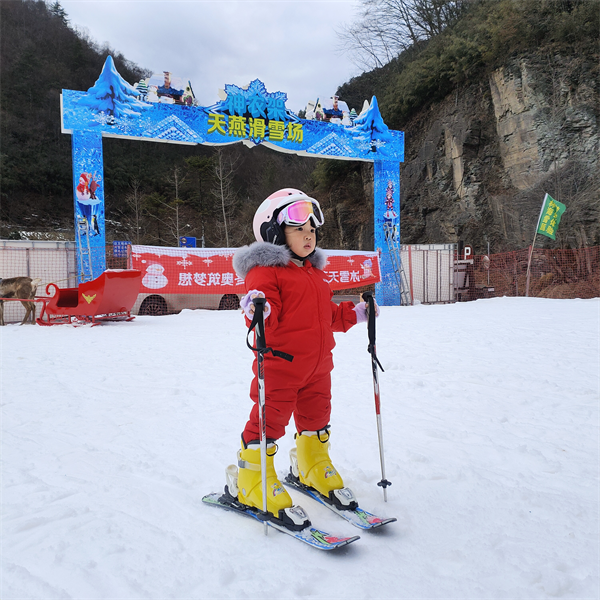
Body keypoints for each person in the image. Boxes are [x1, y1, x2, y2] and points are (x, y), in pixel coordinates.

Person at [225, 188, 378, 530]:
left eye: (312, 230)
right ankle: (252, 481)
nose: (308, 236)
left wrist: (357, 313)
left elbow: (328, 317)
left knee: (317, 417)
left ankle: (311, 464)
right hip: (281, 367)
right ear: (275, 234)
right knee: (270, 421)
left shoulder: (314, 274)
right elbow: (267, 311)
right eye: (299, 230)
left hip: (318, 368)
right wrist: (257, 310)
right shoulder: (267, 272)